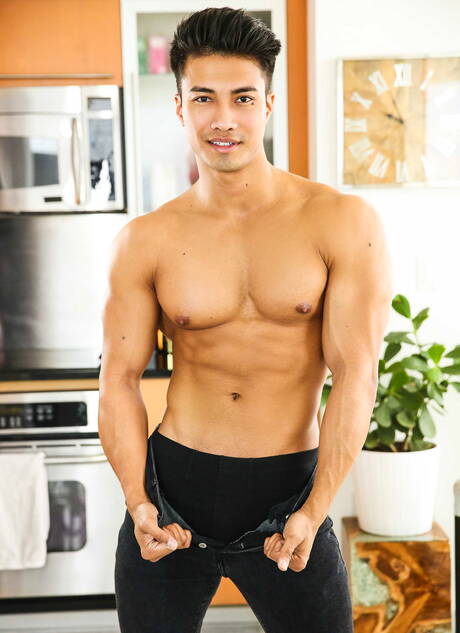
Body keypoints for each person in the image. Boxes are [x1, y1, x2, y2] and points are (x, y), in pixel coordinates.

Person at [98, 7, 393, 633]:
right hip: (173, 492)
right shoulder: (144, 241)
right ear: (180, 106)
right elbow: (117, 379)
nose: (223, 119)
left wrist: (315, 509)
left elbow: (356, 374)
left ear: (268, 104)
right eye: (203, 97)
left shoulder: (341, 221)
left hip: (291, 494)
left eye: (242, 97)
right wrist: (139, 502)